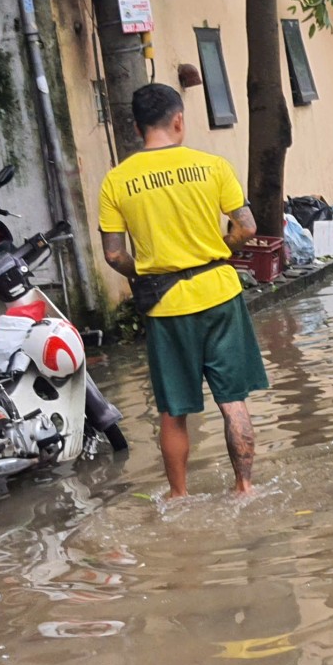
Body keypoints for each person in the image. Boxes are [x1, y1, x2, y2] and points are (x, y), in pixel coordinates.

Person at [99, 83, 269, 498]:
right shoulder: (213, 165)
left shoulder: (116, 181)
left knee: (173, 411)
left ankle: (179, 496)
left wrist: (149, 270)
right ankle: (244, 487)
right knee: (233, 401)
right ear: (178, 120)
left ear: (138, 128)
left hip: (165, 304)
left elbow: (114, 255)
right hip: (221, 295)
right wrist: (213, 253)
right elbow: (246, 227)